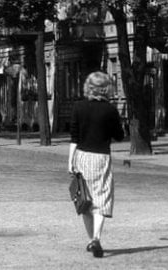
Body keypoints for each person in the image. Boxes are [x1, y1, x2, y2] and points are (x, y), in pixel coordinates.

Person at [67, 71, 124, 259]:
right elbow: (119, 136)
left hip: (82, 156)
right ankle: (96, 239)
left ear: (88, 87)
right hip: (101, 158)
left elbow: (74, 137)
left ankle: (90, 238)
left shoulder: (78, 107)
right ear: (106, 89)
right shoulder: (110, 110)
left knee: (84, 199)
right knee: (102, 198)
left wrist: (70, 161)